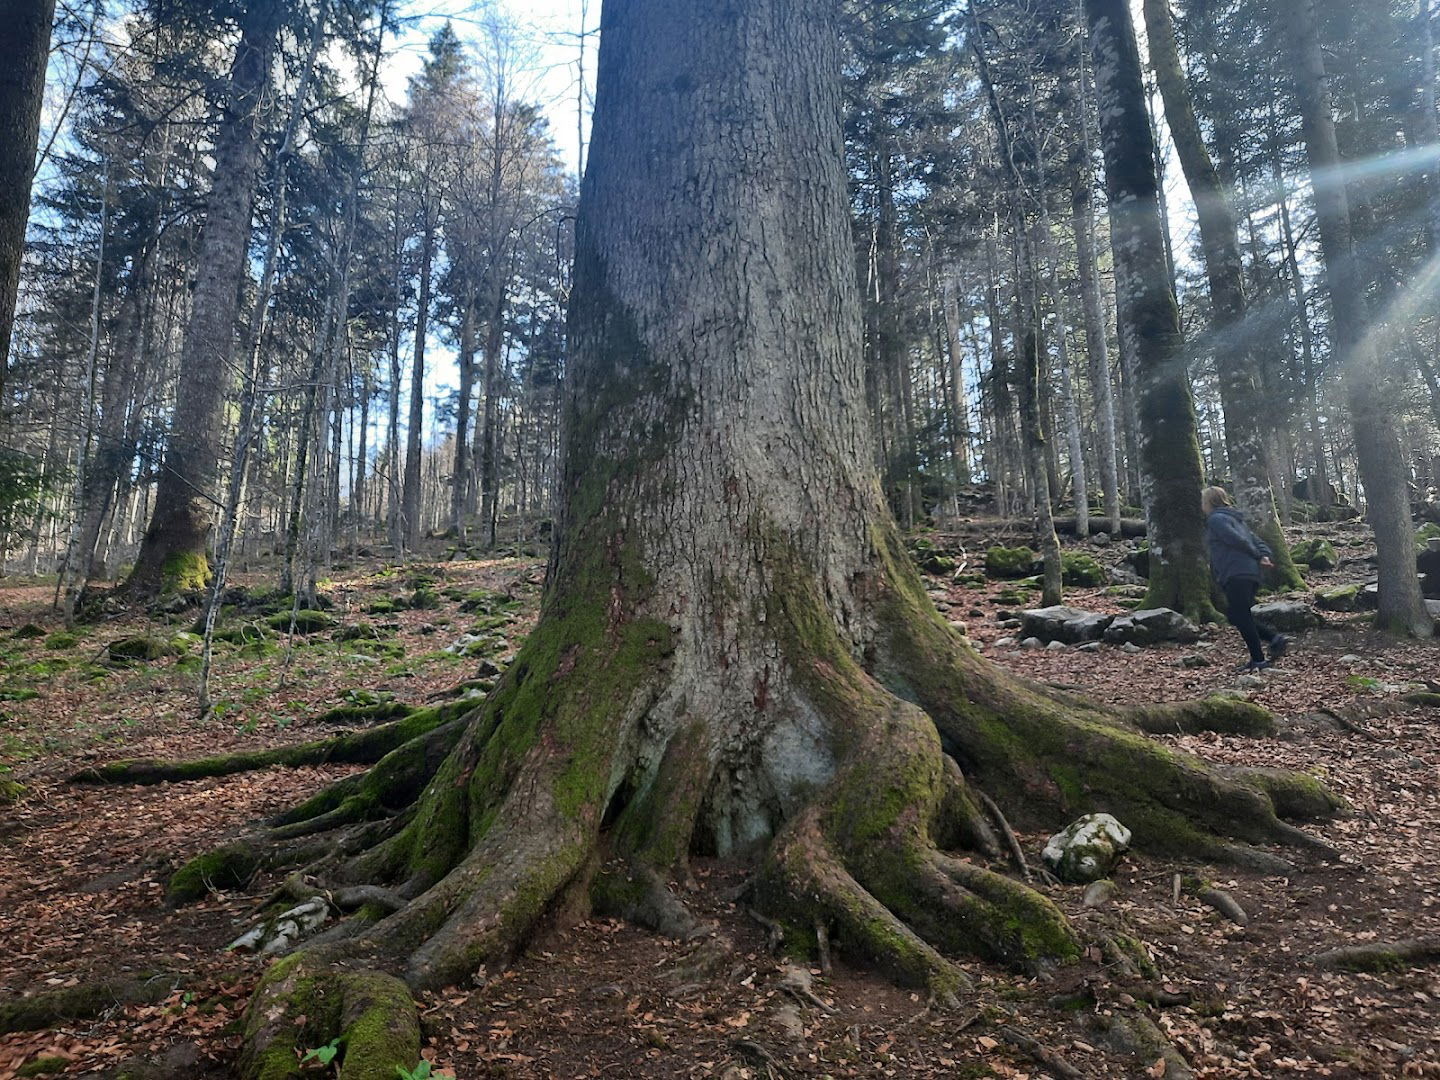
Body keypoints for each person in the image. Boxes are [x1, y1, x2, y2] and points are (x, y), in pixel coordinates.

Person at [1202, 486, 1288, 671]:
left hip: (1236, 572)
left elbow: (1235, 540)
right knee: (1238, 615)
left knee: (1239, 615)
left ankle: (1261, 655)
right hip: (1249, 573)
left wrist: (1258, 555)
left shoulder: (1216, 520)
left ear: (1209, 502)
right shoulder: (1238, 520)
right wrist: (1263, 555)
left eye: (1204, 501)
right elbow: (1256, 541)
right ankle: (1270, 642)